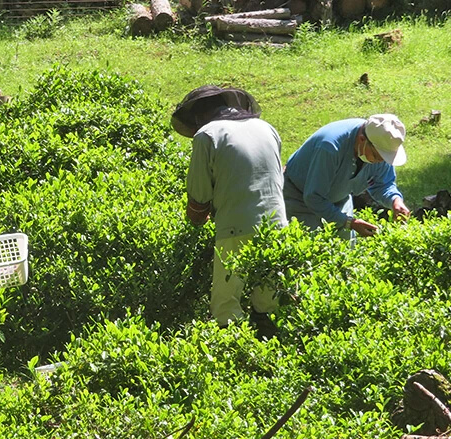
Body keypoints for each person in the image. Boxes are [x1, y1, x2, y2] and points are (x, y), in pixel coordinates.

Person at [171, 85, 288, 336]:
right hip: (277, 223)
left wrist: (195, 221)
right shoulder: (267, 128)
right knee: (270, 299)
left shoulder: (207, 135)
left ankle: (235, 354)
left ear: (198, 117)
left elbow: (199, 196)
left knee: (226, 305)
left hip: (235, 226)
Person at [283, 114, 410, 239]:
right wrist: (348, 222)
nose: (381, 162)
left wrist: (395, 200)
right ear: (362, 140)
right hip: (299, 199)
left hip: (340, 199)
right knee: (309, 250)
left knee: (346, 252)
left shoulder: (379, 145)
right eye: (378, 157)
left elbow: (383, 184)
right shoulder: (330, 147)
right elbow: (314, 197)